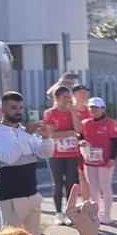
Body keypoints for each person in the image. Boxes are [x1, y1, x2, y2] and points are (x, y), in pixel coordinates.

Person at [0, 93, 52, 235]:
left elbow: (45, 153)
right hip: (11, 197)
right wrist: (27, 134)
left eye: (21, 108)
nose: (18, 111)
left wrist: (46, 137)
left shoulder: (23, 132)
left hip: (32, 194)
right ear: (1, 109)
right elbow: (10, 158)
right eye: (13, 108)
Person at [76, 99, 117, 225]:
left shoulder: (110, 123)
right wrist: (81, 143)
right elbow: (80, 139)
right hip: (89, 161)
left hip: (105, 161)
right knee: (93, 188)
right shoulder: (85, 123)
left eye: (96, 107)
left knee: (105, 187)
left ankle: (107, 214)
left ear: (103, 109)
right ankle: (96, 213)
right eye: (91, 108)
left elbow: (115, 142)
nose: (93, 110)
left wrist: (112, 158)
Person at [39, 85, 79, 224]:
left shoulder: (72, 111)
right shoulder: (50, 113)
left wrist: (73, 113)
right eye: (64, 97)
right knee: (58, 183)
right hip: (55, 153)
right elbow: (51, 134)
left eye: (69, 97)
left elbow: (79, 130)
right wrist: (68, 132)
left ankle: (69, 212)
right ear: (56, 98)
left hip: (72, 152)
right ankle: (58, 213)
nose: (68, 100)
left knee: (71, 183)